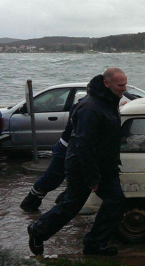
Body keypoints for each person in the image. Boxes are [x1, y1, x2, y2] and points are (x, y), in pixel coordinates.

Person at [25, 68, 127, 256]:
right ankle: (38, 230)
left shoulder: (108, 101)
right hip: (83, 165)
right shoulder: (91, 107)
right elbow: (83, 146)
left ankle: (94, 244)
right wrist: (92, 178)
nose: (124, 88)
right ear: (107, 84)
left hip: (104, 165)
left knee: (115, 201)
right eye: (121, 85)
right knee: (72, 205)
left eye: (125, 84)